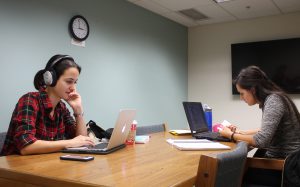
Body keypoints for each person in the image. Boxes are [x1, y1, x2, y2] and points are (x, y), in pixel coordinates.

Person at [0, 54, 94, 156]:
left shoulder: (61, 107)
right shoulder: (29, 100)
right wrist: (70, 143)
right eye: (69, 81)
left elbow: (81, 140)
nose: (73, 88)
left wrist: (78, 111)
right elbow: (26, 147)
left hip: (44, 166)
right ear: (50, 78)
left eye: (75, 82)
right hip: (13, 169)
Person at [219, 65, 300, 159]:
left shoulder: (273, 101)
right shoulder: (275, 98)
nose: (241, 98)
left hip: (285, 162)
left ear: (253, 90)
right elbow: (267, 130)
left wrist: (231, 135)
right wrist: (241, 132)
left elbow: (261, 141)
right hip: (287, 158)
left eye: (242, 93)